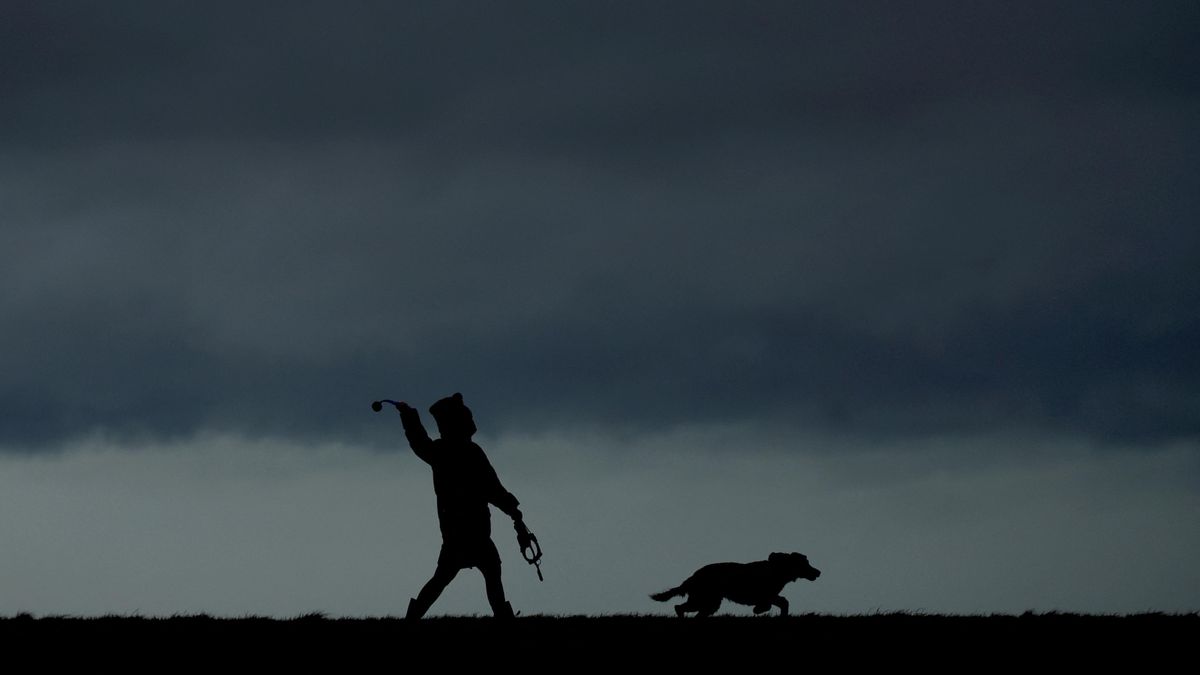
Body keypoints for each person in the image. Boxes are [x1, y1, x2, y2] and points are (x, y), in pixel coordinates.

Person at [392, 393, 531, 619]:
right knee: (489, 572)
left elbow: (419, 441)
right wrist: (512, 510)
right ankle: (503, 617)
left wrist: (409, 416)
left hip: (457, 532)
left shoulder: (442, 452)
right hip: (473, 531)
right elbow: (493, 488)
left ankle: (414, 616)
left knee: (446, 577)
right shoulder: (470, 453)